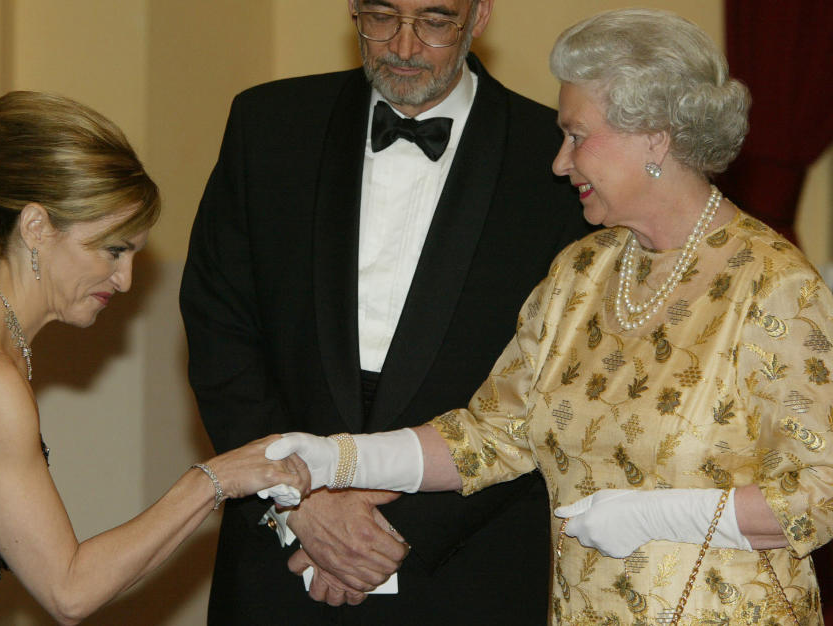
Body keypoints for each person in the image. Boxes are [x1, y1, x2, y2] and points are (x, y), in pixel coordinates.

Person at [268, 8, 833, 624]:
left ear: (655, 135)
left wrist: (661, 515)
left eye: (576, 135)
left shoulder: (774, 285)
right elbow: (488, 437)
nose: (560, 163)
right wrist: (340, 457)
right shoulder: (581, 272)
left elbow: (821, 494)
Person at [180, 0, 590, 622]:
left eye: (433, 20)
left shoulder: (556, 159)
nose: (402, 45)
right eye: (380, 16)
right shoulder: (269, 123)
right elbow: (219, 328)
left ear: (479, 17)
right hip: (277, 555)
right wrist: (300, 505)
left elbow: (563, 381)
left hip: (468, 565)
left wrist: (395, 532)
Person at [0, 91, 309, 625]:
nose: (125, 280)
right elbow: (70, 590)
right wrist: (213, 480)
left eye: (132, 255)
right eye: (112, 250)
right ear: (37, 227)